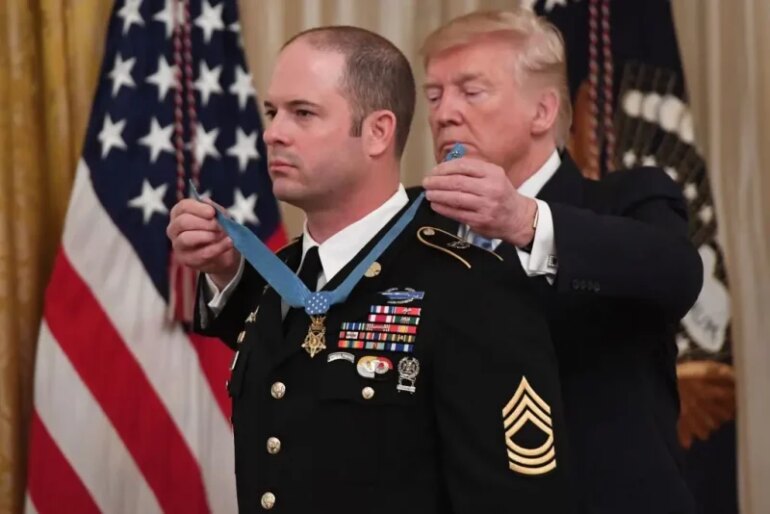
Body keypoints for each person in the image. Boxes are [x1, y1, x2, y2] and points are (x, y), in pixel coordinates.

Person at [167, 26, 573, 513]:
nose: (273, 133)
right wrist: (222, 268)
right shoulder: (277, 278)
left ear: (378, 132)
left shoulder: (472, 287)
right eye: (273, 113)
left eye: (303, 113)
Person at [418, 9, 704, 514]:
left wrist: (524, 221)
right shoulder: (415, 223)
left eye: (471, 91)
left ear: (543, 111)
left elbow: (676, 272)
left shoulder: (627, 198)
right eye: (435, 95)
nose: (444, 114)